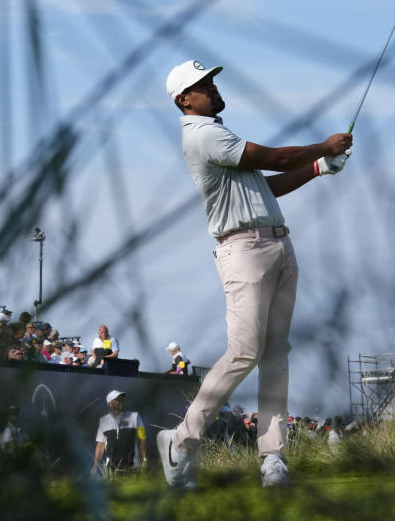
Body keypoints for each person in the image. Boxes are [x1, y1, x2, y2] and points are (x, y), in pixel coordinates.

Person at [155, 59, 352, 489]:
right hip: (241, 248)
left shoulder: (218, 132)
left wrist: (319, 167)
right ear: (183, 99)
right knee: (244, 351)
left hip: (278, 242)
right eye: (202, 85)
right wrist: (323, 147)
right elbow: (276, 157)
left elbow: (271, 184)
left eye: (210, 81)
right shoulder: (203, 134)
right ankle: (182, 440)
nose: (212, 88)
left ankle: (272, 456)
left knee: (276, 352)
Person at [92, 390, 147, 475]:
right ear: (109, 403)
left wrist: (144, 460)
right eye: (117, 399)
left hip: (132, 468)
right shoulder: (103, 421)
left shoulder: (135, 416)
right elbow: (100, 445)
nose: (120, 402)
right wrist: (95, 467)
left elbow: (142, 438)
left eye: (121, 399)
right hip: (111, 470)